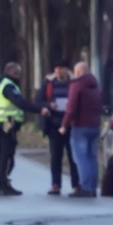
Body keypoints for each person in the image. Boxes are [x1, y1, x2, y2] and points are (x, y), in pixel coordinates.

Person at [0, 62, 50, 196]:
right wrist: (39, 109)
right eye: (17, 74)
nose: (19, 76)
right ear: (10, 72)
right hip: (7, 125)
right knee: (6, 156)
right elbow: (20, 103)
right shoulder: (8, 86)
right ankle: (4, 185)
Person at [35, 59, 79, 196]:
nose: (59, 71)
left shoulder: (74, 82)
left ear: (67, 70)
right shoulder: (48, 84)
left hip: (71, 125)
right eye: (57, 69)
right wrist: (48, 106)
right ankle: (55, 185)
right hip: (54, 124)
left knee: (73, 157)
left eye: (62, 68)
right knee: (55, 156)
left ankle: (76, 185)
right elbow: (38, 101)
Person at [60, 61, 103, 198]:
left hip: (80, 126)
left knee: (81, 158)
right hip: (94, 126)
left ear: (78, 72)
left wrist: (64, 125)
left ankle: (85, 187)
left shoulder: (77, 85)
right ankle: (92, 187)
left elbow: (71, 108)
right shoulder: (96, 85)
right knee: (92, 157)